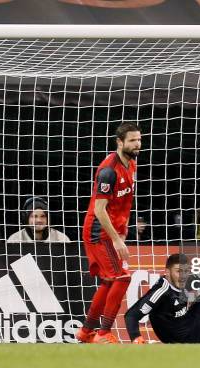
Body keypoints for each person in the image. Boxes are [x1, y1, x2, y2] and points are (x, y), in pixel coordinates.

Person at [76, 122, 141, 344]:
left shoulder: (132, 164)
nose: (137, 144)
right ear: (120, 142)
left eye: (139, 140)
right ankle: (103, 333)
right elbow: (99, 210)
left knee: (108, 281)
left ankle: (86, 332)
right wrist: (116, 239)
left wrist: (123, 230)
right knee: (121, 278)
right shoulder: (108, 171)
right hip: (98, 232)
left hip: (112, 231)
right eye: (132, 140)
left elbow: (126, 202)